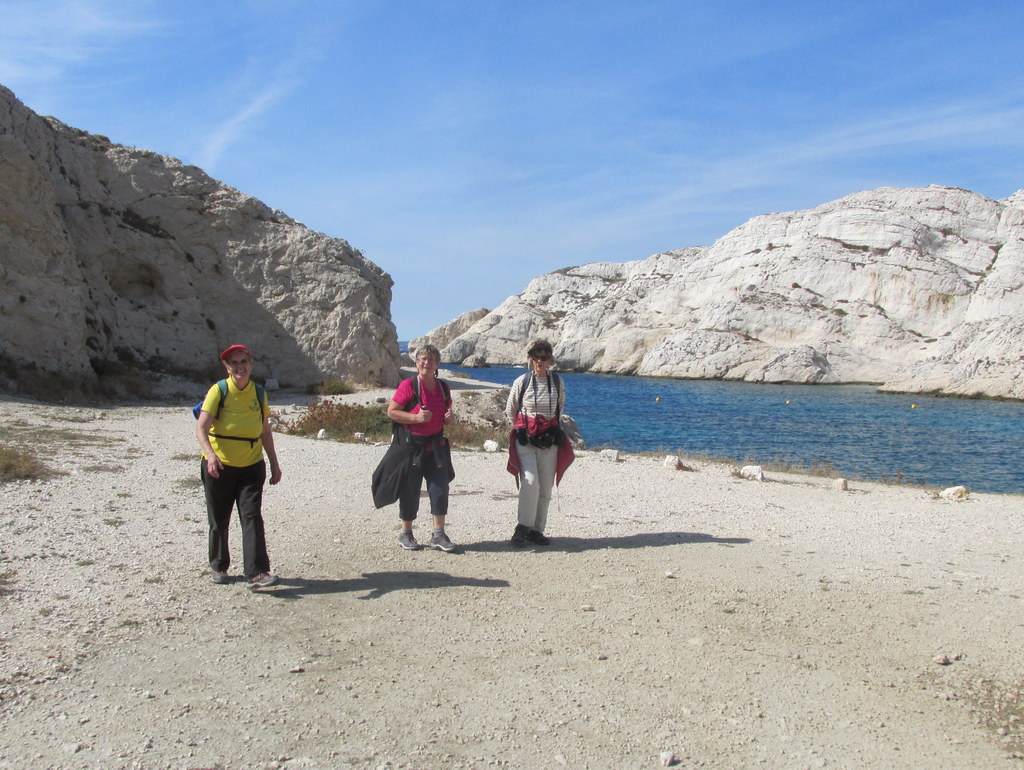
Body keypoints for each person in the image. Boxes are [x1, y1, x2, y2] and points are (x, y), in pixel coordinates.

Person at [195, 344, 282, 588]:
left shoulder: (258, 393)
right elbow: (201, 427)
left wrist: (274, 463)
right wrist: (210, 456)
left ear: (251, 364)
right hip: (219, 465)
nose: (239, 367)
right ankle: (218, 565)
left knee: (252, 516)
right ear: (227, 367)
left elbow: (265, 429)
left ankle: (257, 572)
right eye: (234, 363)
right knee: (219, 518)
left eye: (244, 361)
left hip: (252, 465)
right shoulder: (218, 390)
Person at [385, 344, 456, 552]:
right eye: (423, 359)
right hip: (412, 447)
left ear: (437, 364)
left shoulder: (443, 387)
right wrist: (415, 418)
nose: (427, 363)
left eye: (431, 359)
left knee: (440, 488)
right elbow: (392, 411)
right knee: (410, 490)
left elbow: (448, 415)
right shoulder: (409, 385)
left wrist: (450, 419)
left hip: (436, 446)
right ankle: (405, 533)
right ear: (416, 363)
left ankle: (438, 535)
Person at [505, 339, 573, 547]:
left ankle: (536, 529)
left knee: (545, 487)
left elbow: (559, 408)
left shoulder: (557, 382)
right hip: (526, 439)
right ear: (530, 359)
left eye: (543, 358)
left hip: (549, 441)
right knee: (530, 482)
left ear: (550, 360)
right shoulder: (521, 382)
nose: (539, 361)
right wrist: (520, 428)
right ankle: (522, 526)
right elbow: (511, 409)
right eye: (535, 357)